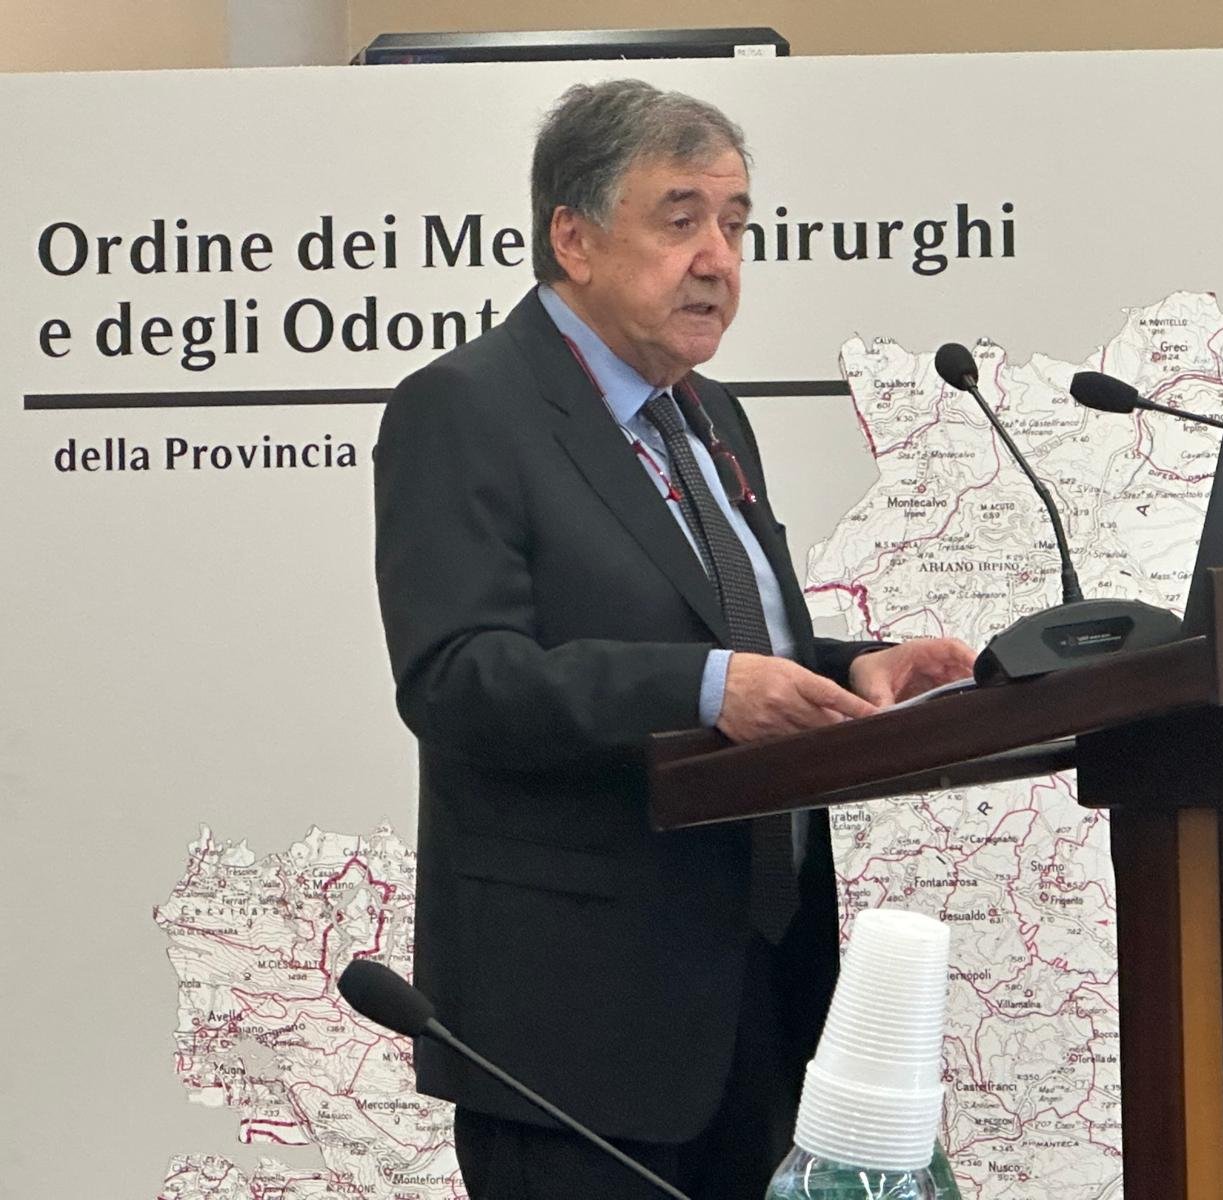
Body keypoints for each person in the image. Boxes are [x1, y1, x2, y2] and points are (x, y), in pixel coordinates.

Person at [373, 79, 975, 1200]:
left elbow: (725, 635)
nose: (718, 259)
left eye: (736, 224)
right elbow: (457, 678)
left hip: (759, 998)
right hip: (578, 1030)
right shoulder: (466, 407)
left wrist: (849, 667)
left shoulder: (711, 413)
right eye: (681, 218)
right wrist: (707, 689)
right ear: (574, 237)